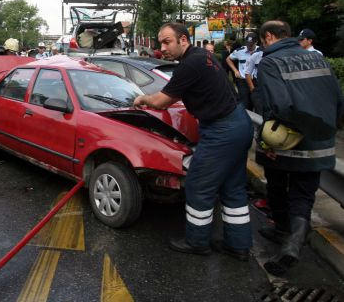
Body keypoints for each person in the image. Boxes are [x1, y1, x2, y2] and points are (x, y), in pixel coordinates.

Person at [133, 22, 253, 261]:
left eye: (167, 42)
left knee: (198, 185)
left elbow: (160, 102)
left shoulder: (190, 64)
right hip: (239, 123)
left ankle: (197, 242)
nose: (162, 48)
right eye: (160, 43)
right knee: (232, 187)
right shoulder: (203, 56)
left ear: (184, 40)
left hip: (222, 130)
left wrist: (142, 98)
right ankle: (238, 245)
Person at [254, 20, 342, 276]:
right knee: (303, 195)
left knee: (278, 189)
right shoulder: (319, 59)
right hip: (321, 141)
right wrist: (324, 131)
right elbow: (338, 99)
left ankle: (285, 234)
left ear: (268, 36)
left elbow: (277, 107)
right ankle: (291, 243)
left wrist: (266, 140)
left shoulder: (270, 63)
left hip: (287, 142)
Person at [226, 33, 259, 110]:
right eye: (248, 44)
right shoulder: (240, 51)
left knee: (257, 103)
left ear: (256, 42)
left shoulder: (261, 51)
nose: (249, 46)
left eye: (251, 44)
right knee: (245, 104)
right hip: (243, 81)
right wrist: (235, 71)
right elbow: (228, 59)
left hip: (256, 81)